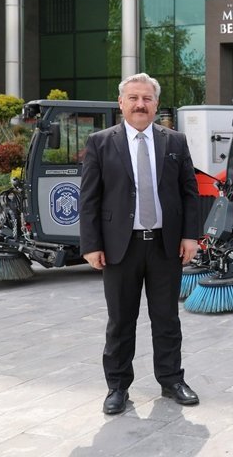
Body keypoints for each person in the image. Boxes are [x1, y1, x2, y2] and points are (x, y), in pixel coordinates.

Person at [80, 72, 200, 415]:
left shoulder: (174, 141)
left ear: (156, 104)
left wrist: (190, 235)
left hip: (165, 246)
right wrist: (91, 244)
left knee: (167, 319)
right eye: (133, 98)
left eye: (146, 98)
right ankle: (117, 387)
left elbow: (189, 193)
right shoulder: (101, 142)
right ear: (121, 103)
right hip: (121, 248)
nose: (140, 104)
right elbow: (89, 199)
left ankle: (172, 380)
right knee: (120, 321)